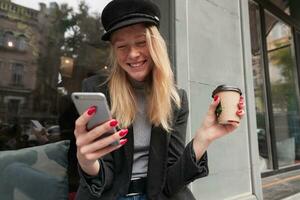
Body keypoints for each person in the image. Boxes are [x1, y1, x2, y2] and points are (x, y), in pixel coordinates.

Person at [73, 0, 245, 199]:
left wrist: (204, 138)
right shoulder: (97, 91)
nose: (133, 54)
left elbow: (171, 182)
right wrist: (87, 162)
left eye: (141, 42)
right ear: (113, 51)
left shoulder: (176, 99)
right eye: (122, 46)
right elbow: (105, 178)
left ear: (156, 45)